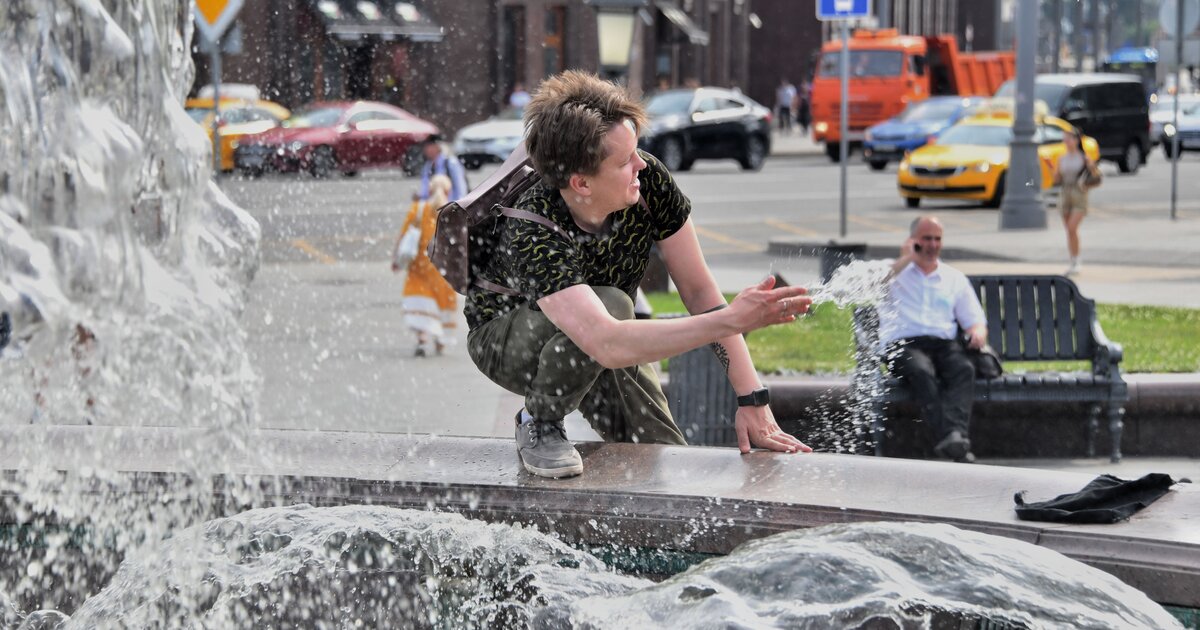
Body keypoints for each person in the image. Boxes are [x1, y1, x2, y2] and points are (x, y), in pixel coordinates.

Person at [464, 70, 813, 479]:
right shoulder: (533, 225)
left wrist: (752, 399)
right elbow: (606, 342)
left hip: (600, 332)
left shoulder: (650, 182)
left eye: (638, 150)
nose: (641, 166)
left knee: (659, 454)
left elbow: (700, 291)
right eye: (624, 160)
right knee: (613, 302)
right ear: (581, 182)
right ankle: (538, 421)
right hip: (507, 341)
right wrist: (733, 319)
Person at [880, 216, 987, 464]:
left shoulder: (953, 278)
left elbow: (974, 319)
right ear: (912, 240)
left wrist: (978, 332)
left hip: (941, 344)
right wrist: (908, 258)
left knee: (963, 369)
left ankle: (955, 436)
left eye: (937, 239)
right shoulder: (894, 270)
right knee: (921, 371)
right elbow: (874, 284)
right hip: (903, 345)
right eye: (926, 239)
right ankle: (952, 437)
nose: (932, 245)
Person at [392, 175, 459, 357]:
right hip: (443, 268)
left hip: (419, 266)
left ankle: (422, 338)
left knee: (422, 299)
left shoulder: (418, 209)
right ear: (447, 191)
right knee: (441, 302)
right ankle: (440, 341)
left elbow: (403, 235)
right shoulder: (452, 211)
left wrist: (395, 259)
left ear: (429, 190)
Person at [1052, 129, 1099, 276]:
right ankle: (1072, 259)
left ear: (1076, 140)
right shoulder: (1062, 158)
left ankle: (1077, 260)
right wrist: (1055, 174)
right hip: (1065, 193)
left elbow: (1096, 175)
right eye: (1064, 139)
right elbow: (1057, 179)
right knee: (1069, 229)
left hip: (1079, 193)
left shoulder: (1083, 157)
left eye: (1069, 138)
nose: (1066, 141)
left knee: (1072, 227)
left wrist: (1090, 166)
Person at [415, 135, 468, 203]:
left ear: (437, 147)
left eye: (429, 146)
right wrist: (420, 197)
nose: (425, 149)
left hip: (451, 207)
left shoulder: (451, 163)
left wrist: (458, 206)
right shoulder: (427, 167)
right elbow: (426, 191)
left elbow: (461, 189)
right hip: (434, 208)